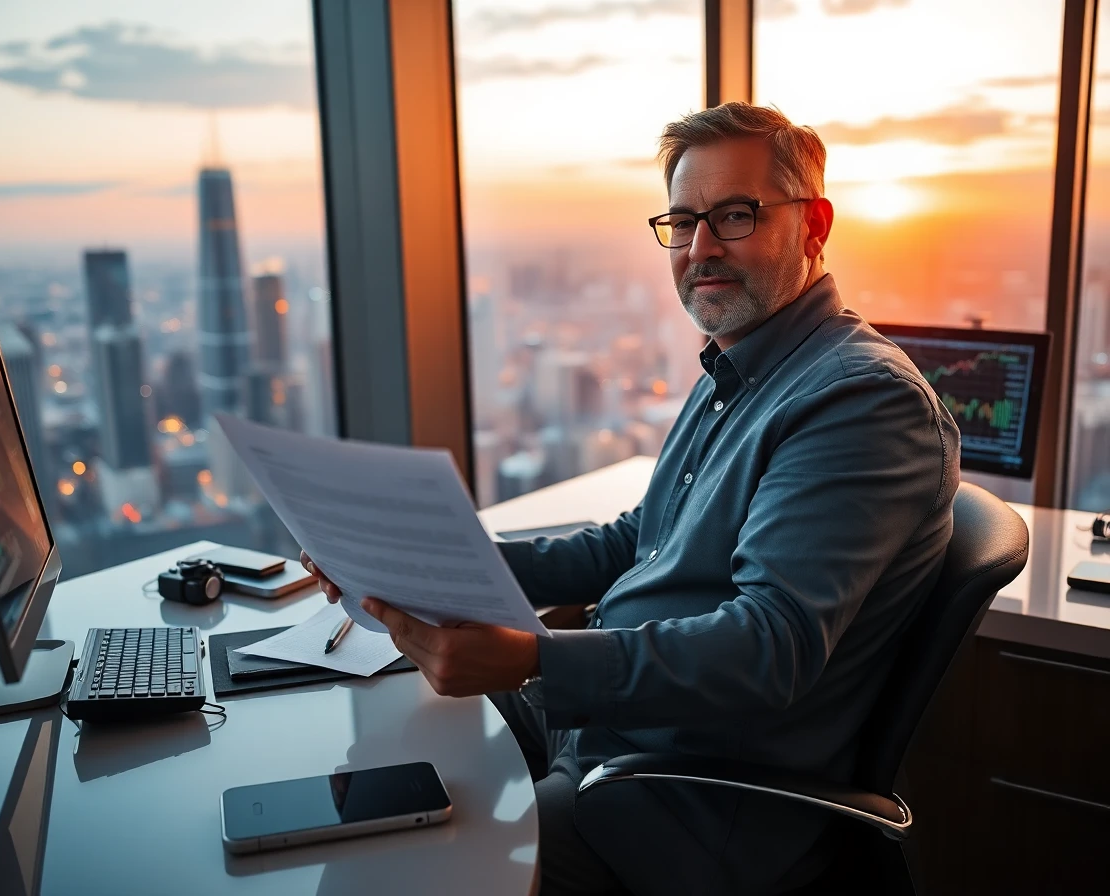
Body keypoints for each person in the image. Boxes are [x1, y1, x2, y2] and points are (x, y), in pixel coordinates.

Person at [302, 102, 960, 895]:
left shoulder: (859, 402)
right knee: (371, 751)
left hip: (681, 800)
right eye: (683, 222)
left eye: (735, 216)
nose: (702, 248)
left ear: (814, 226)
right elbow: (634, 542)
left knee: (403, 869)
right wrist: (434, 562)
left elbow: (769, 646)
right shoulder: (736, 367)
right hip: (604, 735)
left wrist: (537, 659)